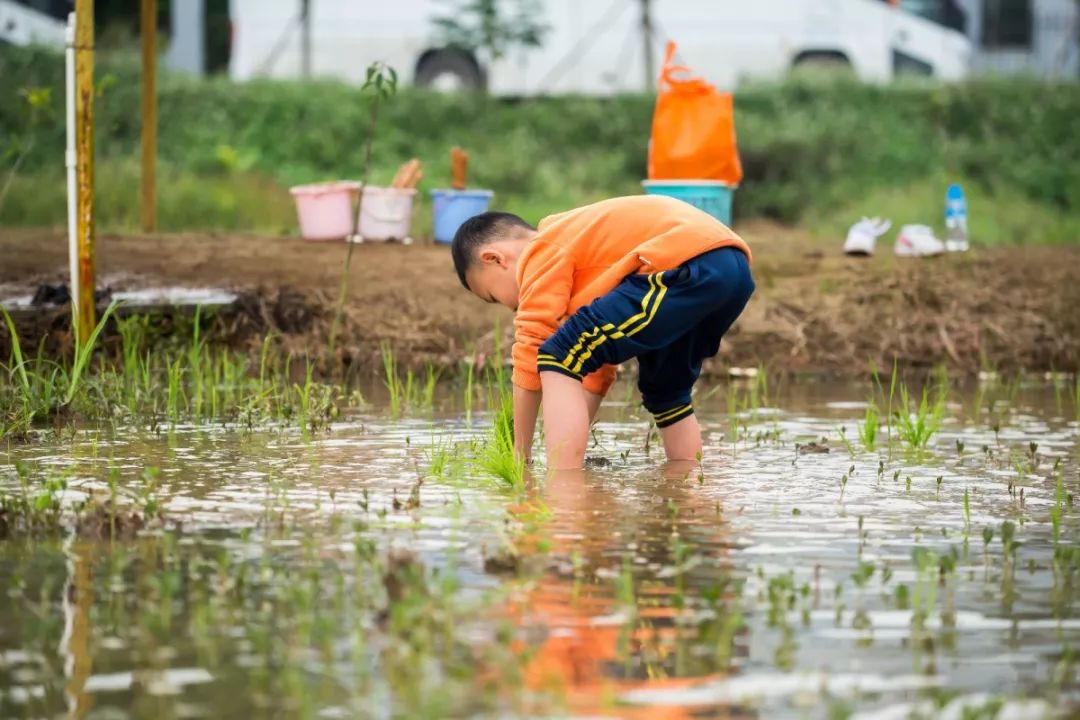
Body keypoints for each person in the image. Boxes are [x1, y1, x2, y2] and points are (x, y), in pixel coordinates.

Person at [451, 195, 754, 469]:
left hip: (688, 261)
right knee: (666, 391)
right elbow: (596, 365)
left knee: (557, 354)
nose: (509, 307)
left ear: (494, 259)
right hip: (729, 268)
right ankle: (688, 486)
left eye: (492, 296)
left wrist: (520, 455)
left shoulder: (543, 248)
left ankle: (563, 492)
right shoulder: (580, 253)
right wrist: (573, 439)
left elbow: (533, 344)